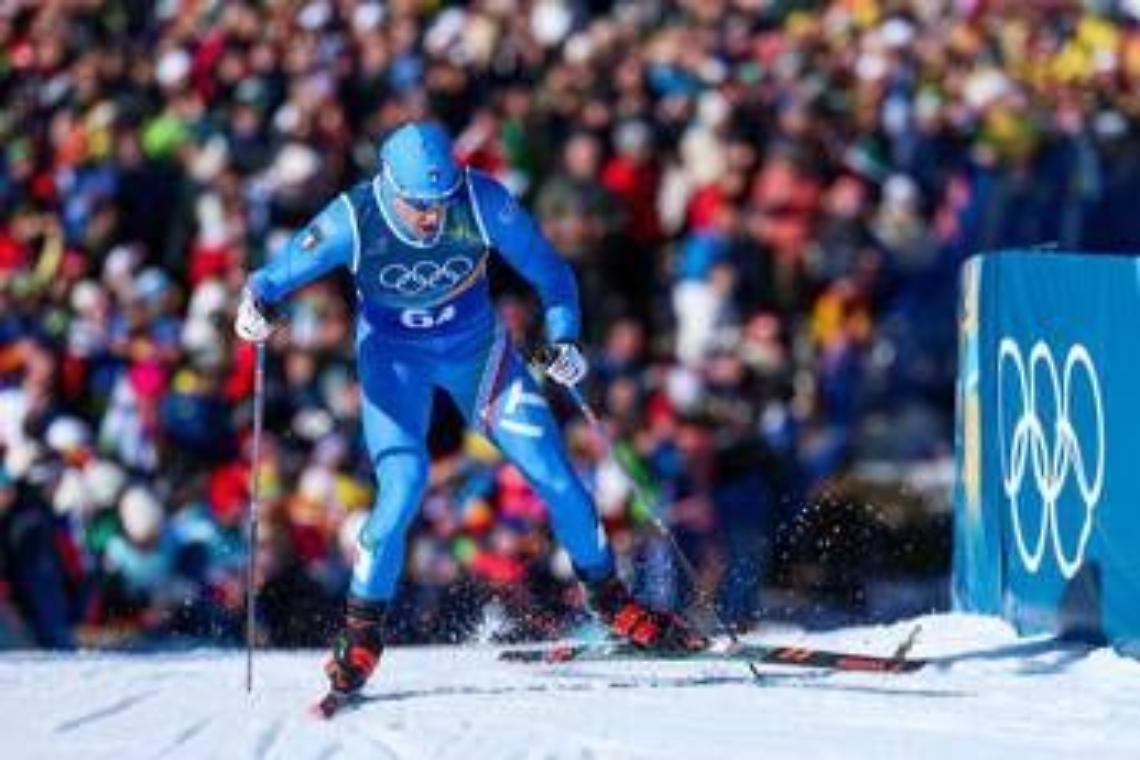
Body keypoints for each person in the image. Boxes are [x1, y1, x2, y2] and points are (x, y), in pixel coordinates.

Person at [235, 122, 707, 698]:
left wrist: (564, 338)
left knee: (558, 478)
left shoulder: (481, 199)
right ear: (389, 186)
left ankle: (612, 603)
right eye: (418, 206)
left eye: (440, 201)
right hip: (394, 365)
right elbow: (272, 277)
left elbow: (552, 273)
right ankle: (360, 635)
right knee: (403, 488)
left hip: (480, 357)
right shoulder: (352, 218)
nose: (433, 217)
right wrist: (254, 305)